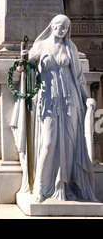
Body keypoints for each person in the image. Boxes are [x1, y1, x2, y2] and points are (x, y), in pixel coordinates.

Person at [15, 14, 97, 202]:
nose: (63, 30)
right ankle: (41, 189)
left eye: (66, 27)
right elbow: (25, 68)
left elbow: (78, 78)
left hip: (70, 101)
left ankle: (65, 187)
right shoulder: (40, 46)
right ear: (52, 26)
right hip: (48, 101)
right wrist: (22, 61)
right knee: (48, 143)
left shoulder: (71, 47)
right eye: (60, 26)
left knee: (69, 144)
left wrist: (87, 99)